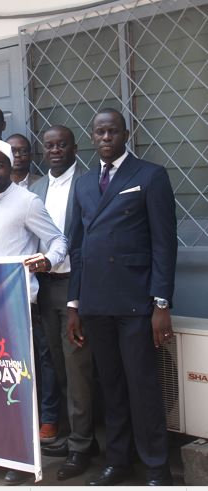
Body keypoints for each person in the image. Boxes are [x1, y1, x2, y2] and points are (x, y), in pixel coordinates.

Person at [67, 108, 177, 486]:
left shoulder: (149, 175)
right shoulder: (82, 184)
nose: (106, 138)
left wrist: (161, 303)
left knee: (142, 387)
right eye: (99, 132)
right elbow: (76, 248)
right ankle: (118, 461)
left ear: (126, 134)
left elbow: (164, 246)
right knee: (110, 386)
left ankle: (157, 467)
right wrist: (73, 305)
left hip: (135, 302)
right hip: (96, 302)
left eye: (113, 131)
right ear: (92, 137)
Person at [0, 138, 68, 485]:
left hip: (18, 306)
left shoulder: (27, 202)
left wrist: (46, 260)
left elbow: (58, 242)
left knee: (18, 386)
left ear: (10, 167)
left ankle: (21, 458)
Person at [29, 126, 96, 480]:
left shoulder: (86, 183)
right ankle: (73, 436)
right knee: (56, 363)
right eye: (49, 145)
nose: (55, 150)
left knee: (78, 368)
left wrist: (78, 297)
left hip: (74, 286)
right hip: (44, 287)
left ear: (74, 147)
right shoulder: (36, 188)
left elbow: (85, 242)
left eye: (62, 144)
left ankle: (81, 446)